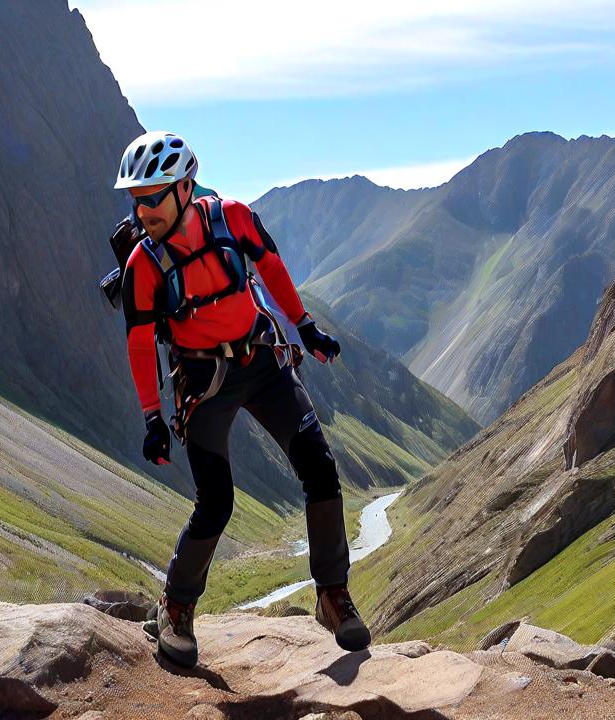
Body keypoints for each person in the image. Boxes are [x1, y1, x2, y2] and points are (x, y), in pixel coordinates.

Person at [113, 130, 370, 668]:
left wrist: (305, 326)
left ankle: (331, 595)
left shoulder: (233, 217)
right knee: (217, 501)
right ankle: (176, 607)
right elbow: (140, 342)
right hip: (204, 382)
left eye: (152, 196)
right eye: (135, 199)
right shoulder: (142, 265)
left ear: (185, 188)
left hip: (262, 362)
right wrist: (152, 418)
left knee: (320, 469)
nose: (143, 209)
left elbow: (271, 267)